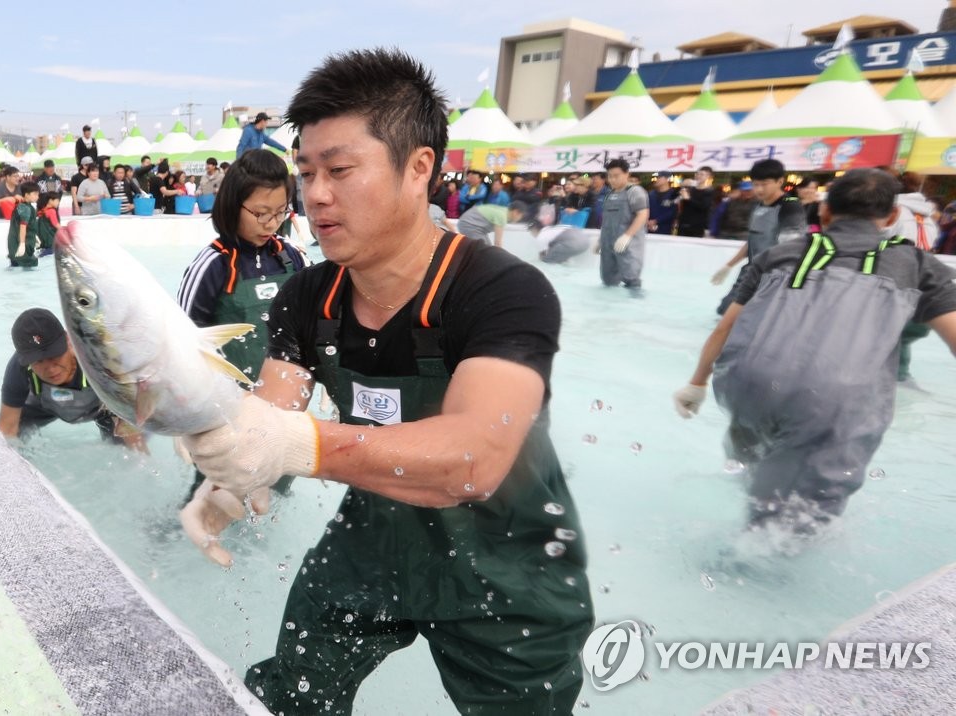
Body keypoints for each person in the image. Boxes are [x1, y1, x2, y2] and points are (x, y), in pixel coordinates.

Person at [181, 47, 592, 715]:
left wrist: (295, 446)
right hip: (369, 541)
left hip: (508, 565)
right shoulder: (307, 296)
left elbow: (474, 458)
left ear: (419, 168)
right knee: (293, 696)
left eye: (340, 170)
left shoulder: (500, 290)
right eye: (307, 172)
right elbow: (275, 412)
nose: (314, 195)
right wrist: (231, 481)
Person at [673, 169, 956, 528]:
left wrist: (696, 383)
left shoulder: (778, 255)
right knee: (784, 528)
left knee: (749, 473)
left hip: (747, 388)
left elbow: (726, 327)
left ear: (823, 213)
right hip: (830, 403)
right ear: (892, 217)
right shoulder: (915, 264)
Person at [176, 148, 308, 499]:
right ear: (233, 205)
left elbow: (312, 329)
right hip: (229, 412)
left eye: (280, 213)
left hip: (283, 410)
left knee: (275, 490)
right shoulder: (213, 264)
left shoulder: (291, 258)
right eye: (261, 213)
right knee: (213, 494)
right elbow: (183, 346)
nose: (271, 223)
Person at [0, 308, 145, 449]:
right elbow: (7, 427)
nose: (51, 369)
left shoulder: (98, 361)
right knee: (12, 442)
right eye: (38, 361)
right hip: (42, 407)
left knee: (124, 449)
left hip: (100, 407)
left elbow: (132, 432)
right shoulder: (19, 368)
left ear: (69, 341)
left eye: (54, 355)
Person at [711, 159, 806, 315]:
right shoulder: (758, 205)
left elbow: (792, 247)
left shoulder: (791, 205)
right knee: (724, 311)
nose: (759, 189)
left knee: (750, 317)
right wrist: (729, 265)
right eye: (756, 184)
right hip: (751, 270)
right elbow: (753, 240)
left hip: (774, 273)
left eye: (765, 184)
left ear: (779, 181)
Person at [892, 171, 942, 383]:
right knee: (901, 335)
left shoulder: (893, 211)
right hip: (924, 280)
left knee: (893, 334)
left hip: (899, 277)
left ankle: (899, 376)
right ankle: (903, 376)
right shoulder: (927, 215)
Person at [597, 157, 649, 289]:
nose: (613, 179)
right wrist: (600, 240)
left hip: (628, 244)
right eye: (610, 176)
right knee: (608, 280)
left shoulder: (635, 192)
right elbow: (607, 220)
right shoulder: (609, 194)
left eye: (616, 176)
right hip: (608, 243)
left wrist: (628, 235)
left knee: (631, 279)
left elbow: (643, 214)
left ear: (627, 174)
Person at [455, 199, 525, 247]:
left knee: (487, 248)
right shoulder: (502, 216)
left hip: (470, 223)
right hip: (469, 224)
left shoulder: (503, 211)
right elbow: (497, 243)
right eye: (521, 216)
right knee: (484, 249)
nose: (520, 219)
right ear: (516, 212)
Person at [7, 182, 40, 268]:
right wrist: (22, 244)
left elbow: (29, 225)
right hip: (20, 244)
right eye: (35, 194)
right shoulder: (25, 208)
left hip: (19, 243)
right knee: (29, 265)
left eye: (38, 194)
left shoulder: (26, 207)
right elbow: (22, 227)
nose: (37, 197)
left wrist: (34, 236)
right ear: (26, 195)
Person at [677, 166, 715, 237]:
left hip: (697, 227)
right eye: (697, 174)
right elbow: (674, 196)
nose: (698, 176)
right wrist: (681, 185)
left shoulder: (710, 191)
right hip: (683, 224)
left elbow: (704, 207)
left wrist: (688, 199)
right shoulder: (690, 189)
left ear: (708, 176)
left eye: (702, 174)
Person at [647, 170, 678, 235]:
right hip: (648, 227)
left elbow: (673, 212)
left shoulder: (674, 194)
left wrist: (656, 221)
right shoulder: (650, 194)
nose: (656, 179)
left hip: (665, 229)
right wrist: (647, 221)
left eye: (659, 177)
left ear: (667, 179)